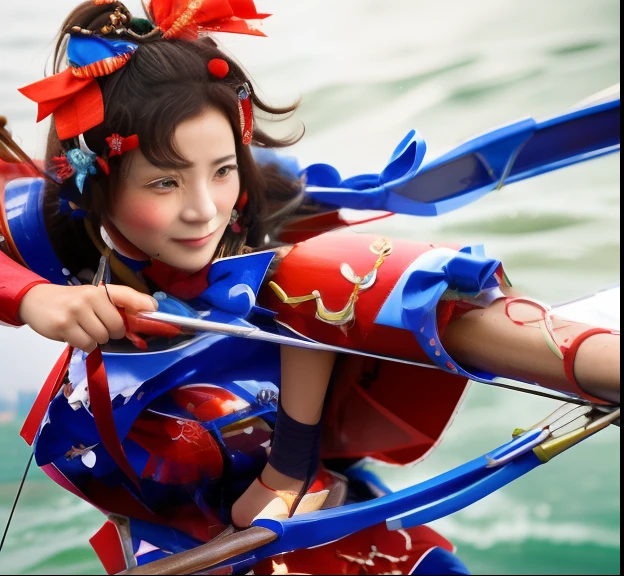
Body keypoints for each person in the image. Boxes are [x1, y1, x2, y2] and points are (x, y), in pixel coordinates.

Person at [0, 0, 619, 572]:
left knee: (338, 267)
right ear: (97, 186)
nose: (204, 210)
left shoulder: (260, 200)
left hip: (303, 488)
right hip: (174, 527)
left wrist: (290, 470)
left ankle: (588, 357)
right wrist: (36, 298)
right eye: (164, 183)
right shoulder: (44, 224)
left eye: (221, 171)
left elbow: (323, 299)